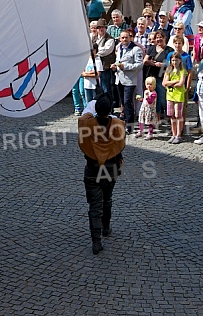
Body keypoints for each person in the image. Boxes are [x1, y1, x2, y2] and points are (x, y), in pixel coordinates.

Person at [78, 94, 125, 255]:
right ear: (110, 110)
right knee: (107, 199)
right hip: (110, 169)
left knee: (95, 206)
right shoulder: (117, 124)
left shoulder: (86, 124)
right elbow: (121, 142)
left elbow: (84, 117)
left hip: (92, 169)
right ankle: (106, 227)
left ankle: (96, 241)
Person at [111, 30, 143, 134]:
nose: (124, 39)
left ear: (130, 38)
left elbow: (139, 65)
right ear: (120, 38)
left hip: (130, 80)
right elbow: (119, 61)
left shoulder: (136, 49)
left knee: (128, 102)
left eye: (126, 37)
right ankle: (124, 123)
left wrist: (125, 67)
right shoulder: (119, 48)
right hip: (119, 79)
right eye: (122, 38)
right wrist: (115, 66)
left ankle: (130, 125)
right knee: (123, 103)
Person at [144, 31, 170, 122]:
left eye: (160, 37)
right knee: (154, 99)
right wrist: (153, 64)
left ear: (164, 38)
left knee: (162, 99)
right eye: (157, 37)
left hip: (162, 76)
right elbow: (145, 61)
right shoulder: (151, 48)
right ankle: (156, 119)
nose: (159, 39)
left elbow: (171, 63)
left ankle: (168, 118)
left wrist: (162, 64)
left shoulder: (169, 50)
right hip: (152, 77)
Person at [163, 53, 187, 144]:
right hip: (170, 95)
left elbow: (181, 84)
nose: (174, 62)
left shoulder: (182, 71)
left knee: (178, 115)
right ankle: (173, 134)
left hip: (179, 95)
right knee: (171, 115)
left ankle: (178, 134)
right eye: (173, 60)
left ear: (180, 60)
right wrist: (174, 81)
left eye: (176, 60)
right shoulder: (169, 70)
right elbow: (164, 83)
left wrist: (170, 83)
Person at [93, 18, 115, 101]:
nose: (101, 29)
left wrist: (95, 52)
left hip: (105, 67)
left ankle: (109, 108)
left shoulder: (110, 39)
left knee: (106, 89)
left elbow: (106, 51)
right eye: (99, 27)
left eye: (102, 27)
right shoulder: (94, 38)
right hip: (95, 67)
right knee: (96, 88)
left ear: (106, 28)